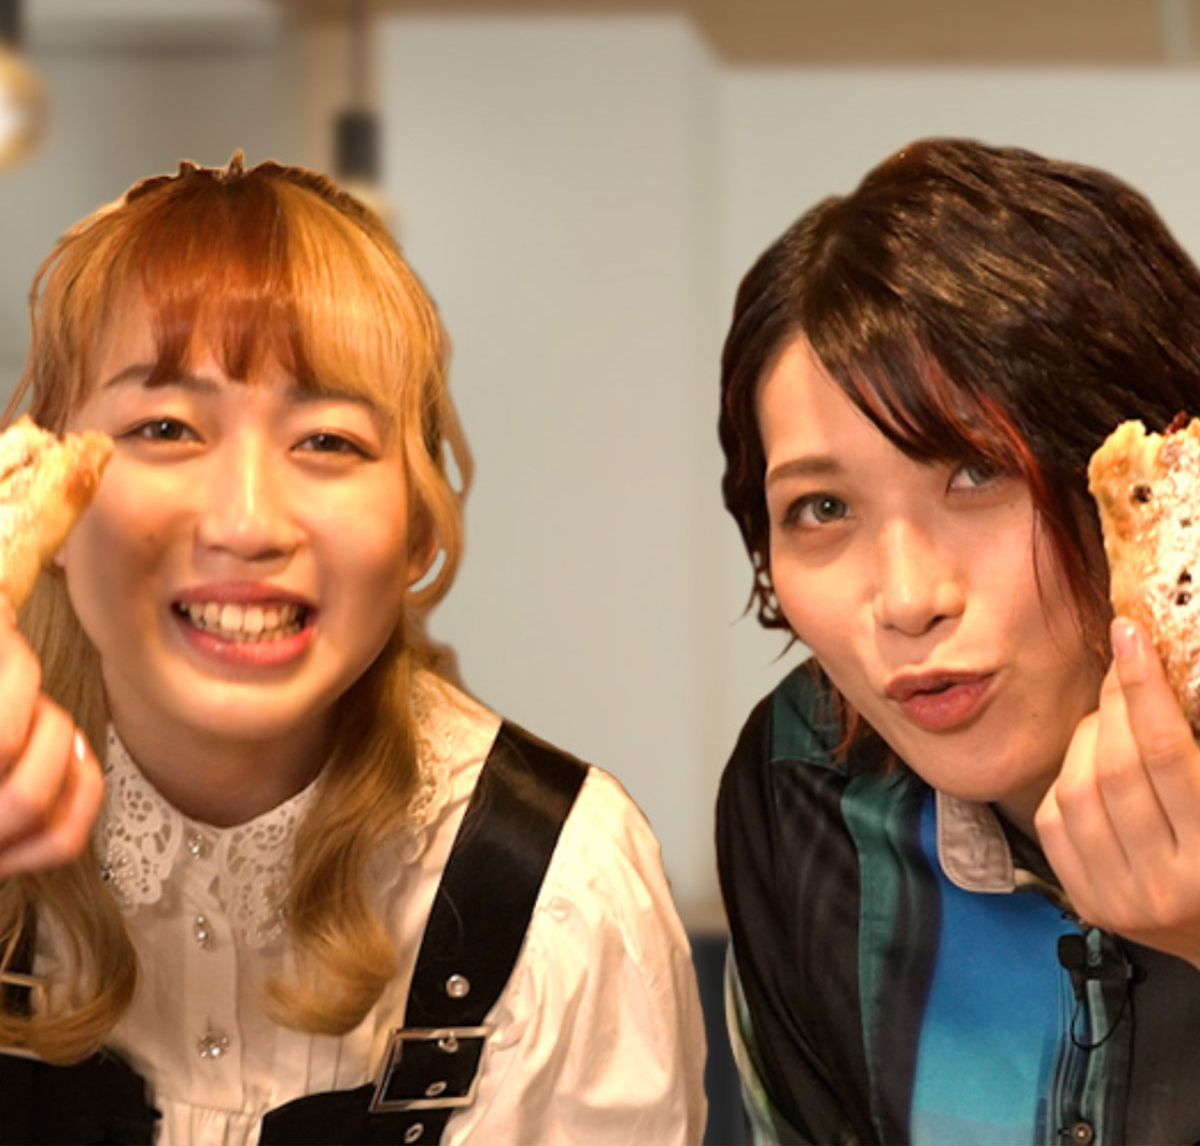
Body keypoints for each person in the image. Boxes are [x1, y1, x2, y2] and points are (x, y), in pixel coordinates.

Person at [0, 154, 706, 1145]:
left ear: (417, 529)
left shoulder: (564, 895)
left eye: (328, 441)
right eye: (165, 427)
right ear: (51, 496)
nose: (247, 523)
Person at [716, 137, 1200, 1145]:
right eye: (821, 508)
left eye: (977, 473)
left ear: (1148, 485)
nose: (906, 599)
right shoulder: (805, 794)